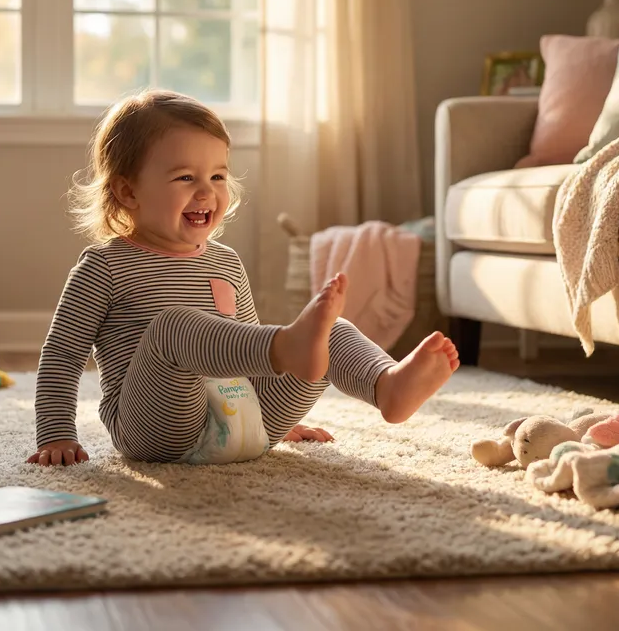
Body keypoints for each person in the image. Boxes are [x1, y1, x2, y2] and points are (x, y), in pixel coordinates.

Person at [28, 90, 460, 467]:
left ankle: (387, 386)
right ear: (128, 192)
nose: (207, 191)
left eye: (217, 176)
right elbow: (62, 355)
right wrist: (55, 433)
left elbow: (246, 347)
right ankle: (290, 347)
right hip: (158, 429)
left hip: (243, 417)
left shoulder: (225, 261)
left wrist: (281, 412)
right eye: (185, 177)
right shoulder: (105, 265)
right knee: (174, 327)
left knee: (334, 332)